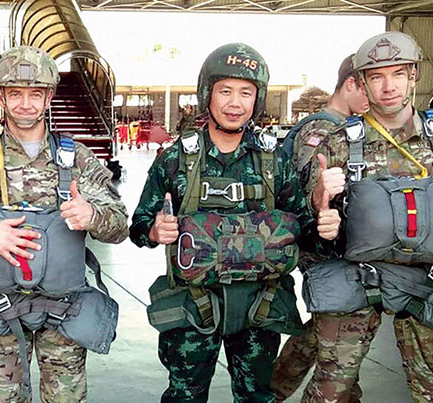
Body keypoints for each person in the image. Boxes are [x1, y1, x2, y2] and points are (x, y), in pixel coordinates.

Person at [302, 31, 433, 402]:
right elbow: (313, 218)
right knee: (331, 389)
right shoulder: (340, 142)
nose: (388, 87)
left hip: (429, 283)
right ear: (362, 82)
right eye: (377, 76)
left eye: (398, 74)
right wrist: (322, 206)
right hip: (359, 281)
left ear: (413, 76)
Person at [130, 43, 322, 403]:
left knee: (255, 396)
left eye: (246, 93)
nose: (235, 103)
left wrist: (323, 221)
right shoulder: (176, 158)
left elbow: (302, 228)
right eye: (226, 91)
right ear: (208, 94)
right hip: (192, 307)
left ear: (258, 98)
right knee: (184, 396)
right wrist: (155, 231)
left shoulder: (273, 160)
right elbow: (139, 225)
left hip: (258, 307)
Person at [0, 45, 128, 403]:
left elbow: (120, 225)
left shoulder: (78, 159)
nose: (26, 103)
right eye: (15, 93)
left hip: (64, 313)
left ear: (49, 96)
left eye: (35, 93)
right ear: (0, 96)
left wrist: (92, 215)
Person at [272, 52, 368, 402]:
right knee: (336, 339)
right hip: (325, 252)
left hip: (329, 251)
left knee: (325, 338)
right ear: (352, 84)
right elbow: (316, 199)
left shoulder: (333, 125)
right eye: (369, 89)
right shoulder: (325, 130)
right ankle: (273, 391)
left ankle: (274, 391)